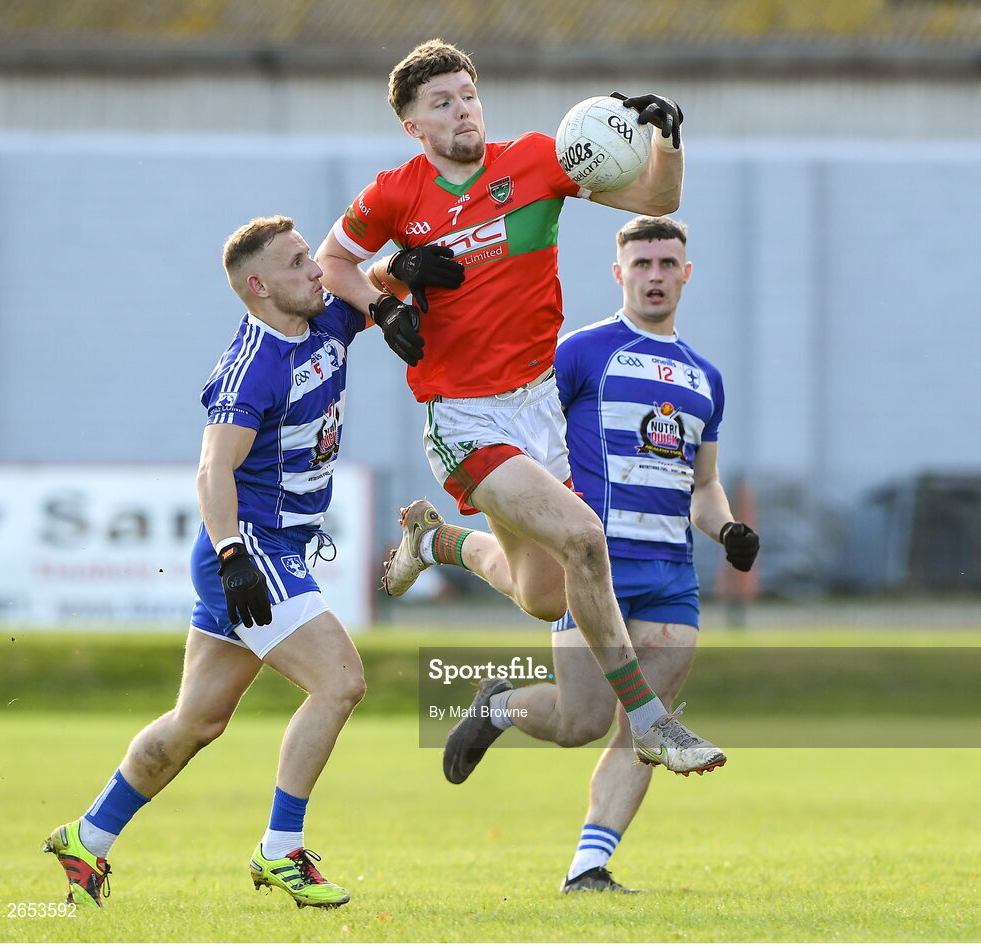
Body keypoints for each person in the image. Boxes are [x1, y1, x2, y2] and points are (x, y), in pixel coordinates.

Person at [316, 38, 724, 774]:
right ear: (413, 125)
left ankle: (436, 544)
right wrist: (384, 300)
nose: (463, 110)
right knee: (585, 538)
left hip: (539, 406)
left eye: (468, 94)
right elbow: (330, 264)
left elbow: (658, 201)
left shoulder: (535, 159)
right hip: (465, 416)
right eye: (442, 103)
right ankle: (652, 720)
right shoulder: (393, 194)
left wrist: (666, 138)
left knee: (541, 594)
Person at [43, 215, 372, 910]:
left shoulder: (324, 324)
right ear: (258, 287)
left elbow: (378, 283)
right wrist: (231, 555)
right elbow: (211, 468)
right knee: (340, 682)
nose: (316, 271)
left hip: (268, 549)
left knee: (196, 721)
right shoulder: (252, 365)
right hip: (249, 549)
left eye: (310, 256)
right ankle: (281, 850)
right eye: (296, 264)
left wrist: (414, 268)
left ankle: (87, 836)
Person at [448, 216, 760, 893]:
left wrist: (728, 529)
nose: (655, 275)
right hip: (596, 572)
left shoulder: (706, 378)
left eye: (667, 263)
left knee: (649, 727)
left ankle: (588, 866)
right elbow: (523, 443)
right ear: (619, 273)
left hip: (672, 577)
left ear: (686, 272)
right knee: (579, 721)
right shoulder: (580, 352)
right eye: (641, 263)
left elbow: (704, 485)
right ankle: (498, 705)